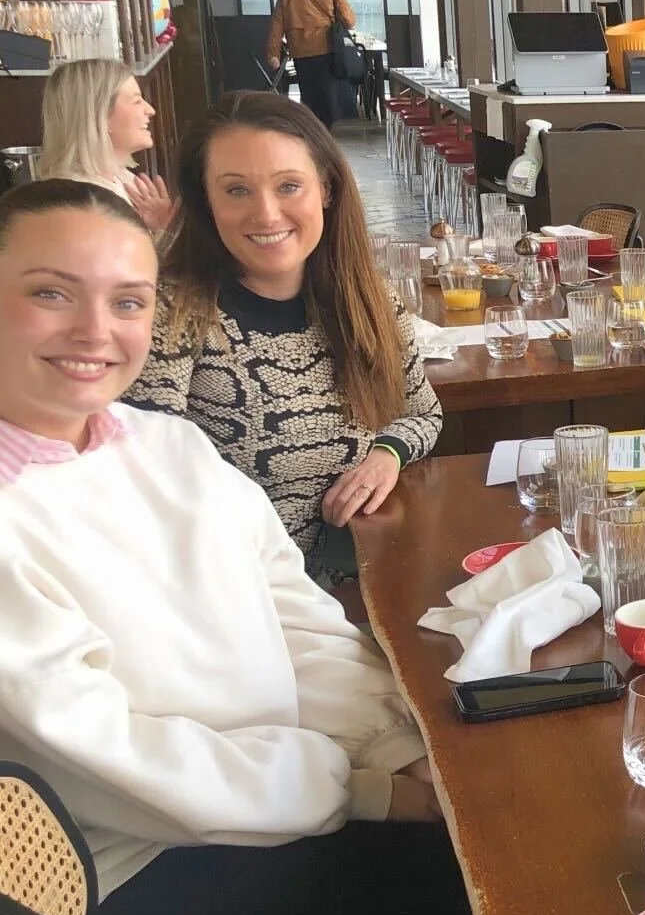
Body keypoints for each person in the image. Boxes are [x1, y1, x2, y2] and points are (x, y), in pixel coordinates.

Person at [0, 179, 478, 915]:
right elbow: (101, 755)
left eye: (128, 301)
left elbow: (302, 626)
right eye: (51, 294)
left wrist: (393, 753)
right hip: (109, 900)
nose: (94, 331)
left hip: (279, 807)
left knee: (514, 855)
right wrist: (362, 792)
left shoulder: (168, 447)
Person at [124, 92, 441, 584]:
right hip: (242, 598)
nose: (267, 215)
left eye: (289, 186)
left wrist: (387, 454)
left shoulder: (368, 299)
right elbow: (142, 477)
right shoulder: (171, 314)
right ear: (205, 203)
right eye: (236, 191)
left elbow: (423, 413)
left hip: (364, 581)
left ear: (327, 190)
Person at [36, 57, 174, 232]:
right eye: (137, 101)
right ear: (99, 116)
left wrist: (164, 224)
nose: (150, 110)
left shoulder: (120, 180)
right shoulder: (89, 205)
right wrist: (166, 228)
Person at [265, 0, 356, 129]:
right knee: (329, 100)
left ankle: (312, 134)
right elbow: (350, 22)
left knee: (310, 98)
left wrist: (273, 54)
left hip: (302, 54)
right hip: (328, 51)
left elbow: (276, 27)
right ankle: (326, 136)